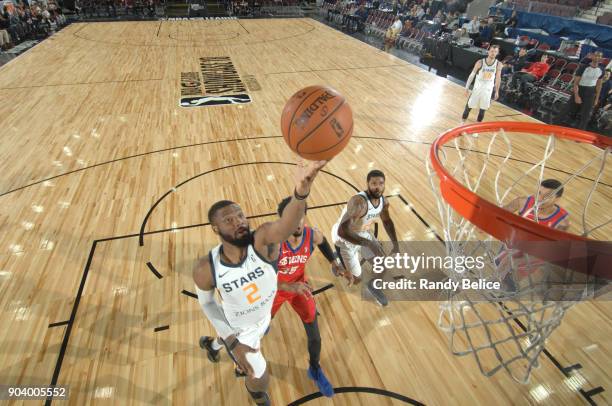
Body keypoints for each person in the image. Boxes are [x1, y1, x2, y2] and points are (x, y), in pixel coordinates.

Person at [194, 160, 327, 406]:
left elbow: (287, 224)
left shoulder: (264, 240)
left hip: (264, 314)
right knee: (260, 378)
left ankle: (212, 346)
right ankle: (260, 399)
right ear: (215, 228)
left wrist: (300, 192)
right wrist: (234, 342)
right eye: (228, 220)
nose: (238, 222)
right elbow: (209, 305)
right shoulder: (206, 268)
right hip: (240, 330)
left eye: (240, 215)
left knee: (249, 339)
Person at [270, 197, 343, 397]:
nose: (297, 221)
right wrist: (286, 286)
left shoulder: (313, 235)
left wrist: (334, 262)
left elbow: (324, 242)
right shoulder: (272, 244)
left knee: (314, 333)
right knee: (256, 331)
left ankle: (315, 368)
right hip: (274, 290)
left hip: (299, 287)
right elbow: (261, 279)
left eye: (300, 216)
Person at [331, 170, 399, 306]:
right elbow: (342, 231)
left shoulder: (383, 202)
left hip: (363, 234)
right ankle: (337, 263)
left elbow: (387, 222)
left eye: (381, 183)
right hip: (344, 240)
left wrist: (396, 244)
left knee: (383, 264)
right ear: (367, 184)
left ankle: (374, 286)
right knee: (356, 279)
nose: (377, 187)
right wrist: (369, 243)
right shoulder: (359, 202)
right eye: (374, 183)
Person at [558, 52, 604, 130]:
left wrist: (596, 99)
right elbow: (575, 83)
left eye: (599, 56)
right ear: (592, 57)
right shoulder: (583, 67)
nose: (597, 57)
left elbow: (599, 85)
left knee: (586, 115)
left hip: (591, 92)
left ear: (601, 59)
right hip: (580, 89)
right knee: (566, 109)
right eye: (596, 55)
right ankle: (555, 124)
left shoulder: (602, 70)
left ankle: (580, 132)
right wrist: (576, 96)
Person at [462, 45, 503, 123]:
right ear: (488, 51)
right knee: (469, 106)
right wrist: (466, 88)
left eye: (495, 52)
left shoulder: (499, 64)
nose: (493, 53)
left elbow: (498, 78)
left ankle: (476, 129)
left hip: (488, 89)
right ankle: (462, 123)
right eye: (491, 51)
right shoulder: (480, 62)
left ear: (497, 53)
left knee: (482, 110)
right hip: (477, 87)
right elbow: (472, 75)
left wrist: (497, 91)